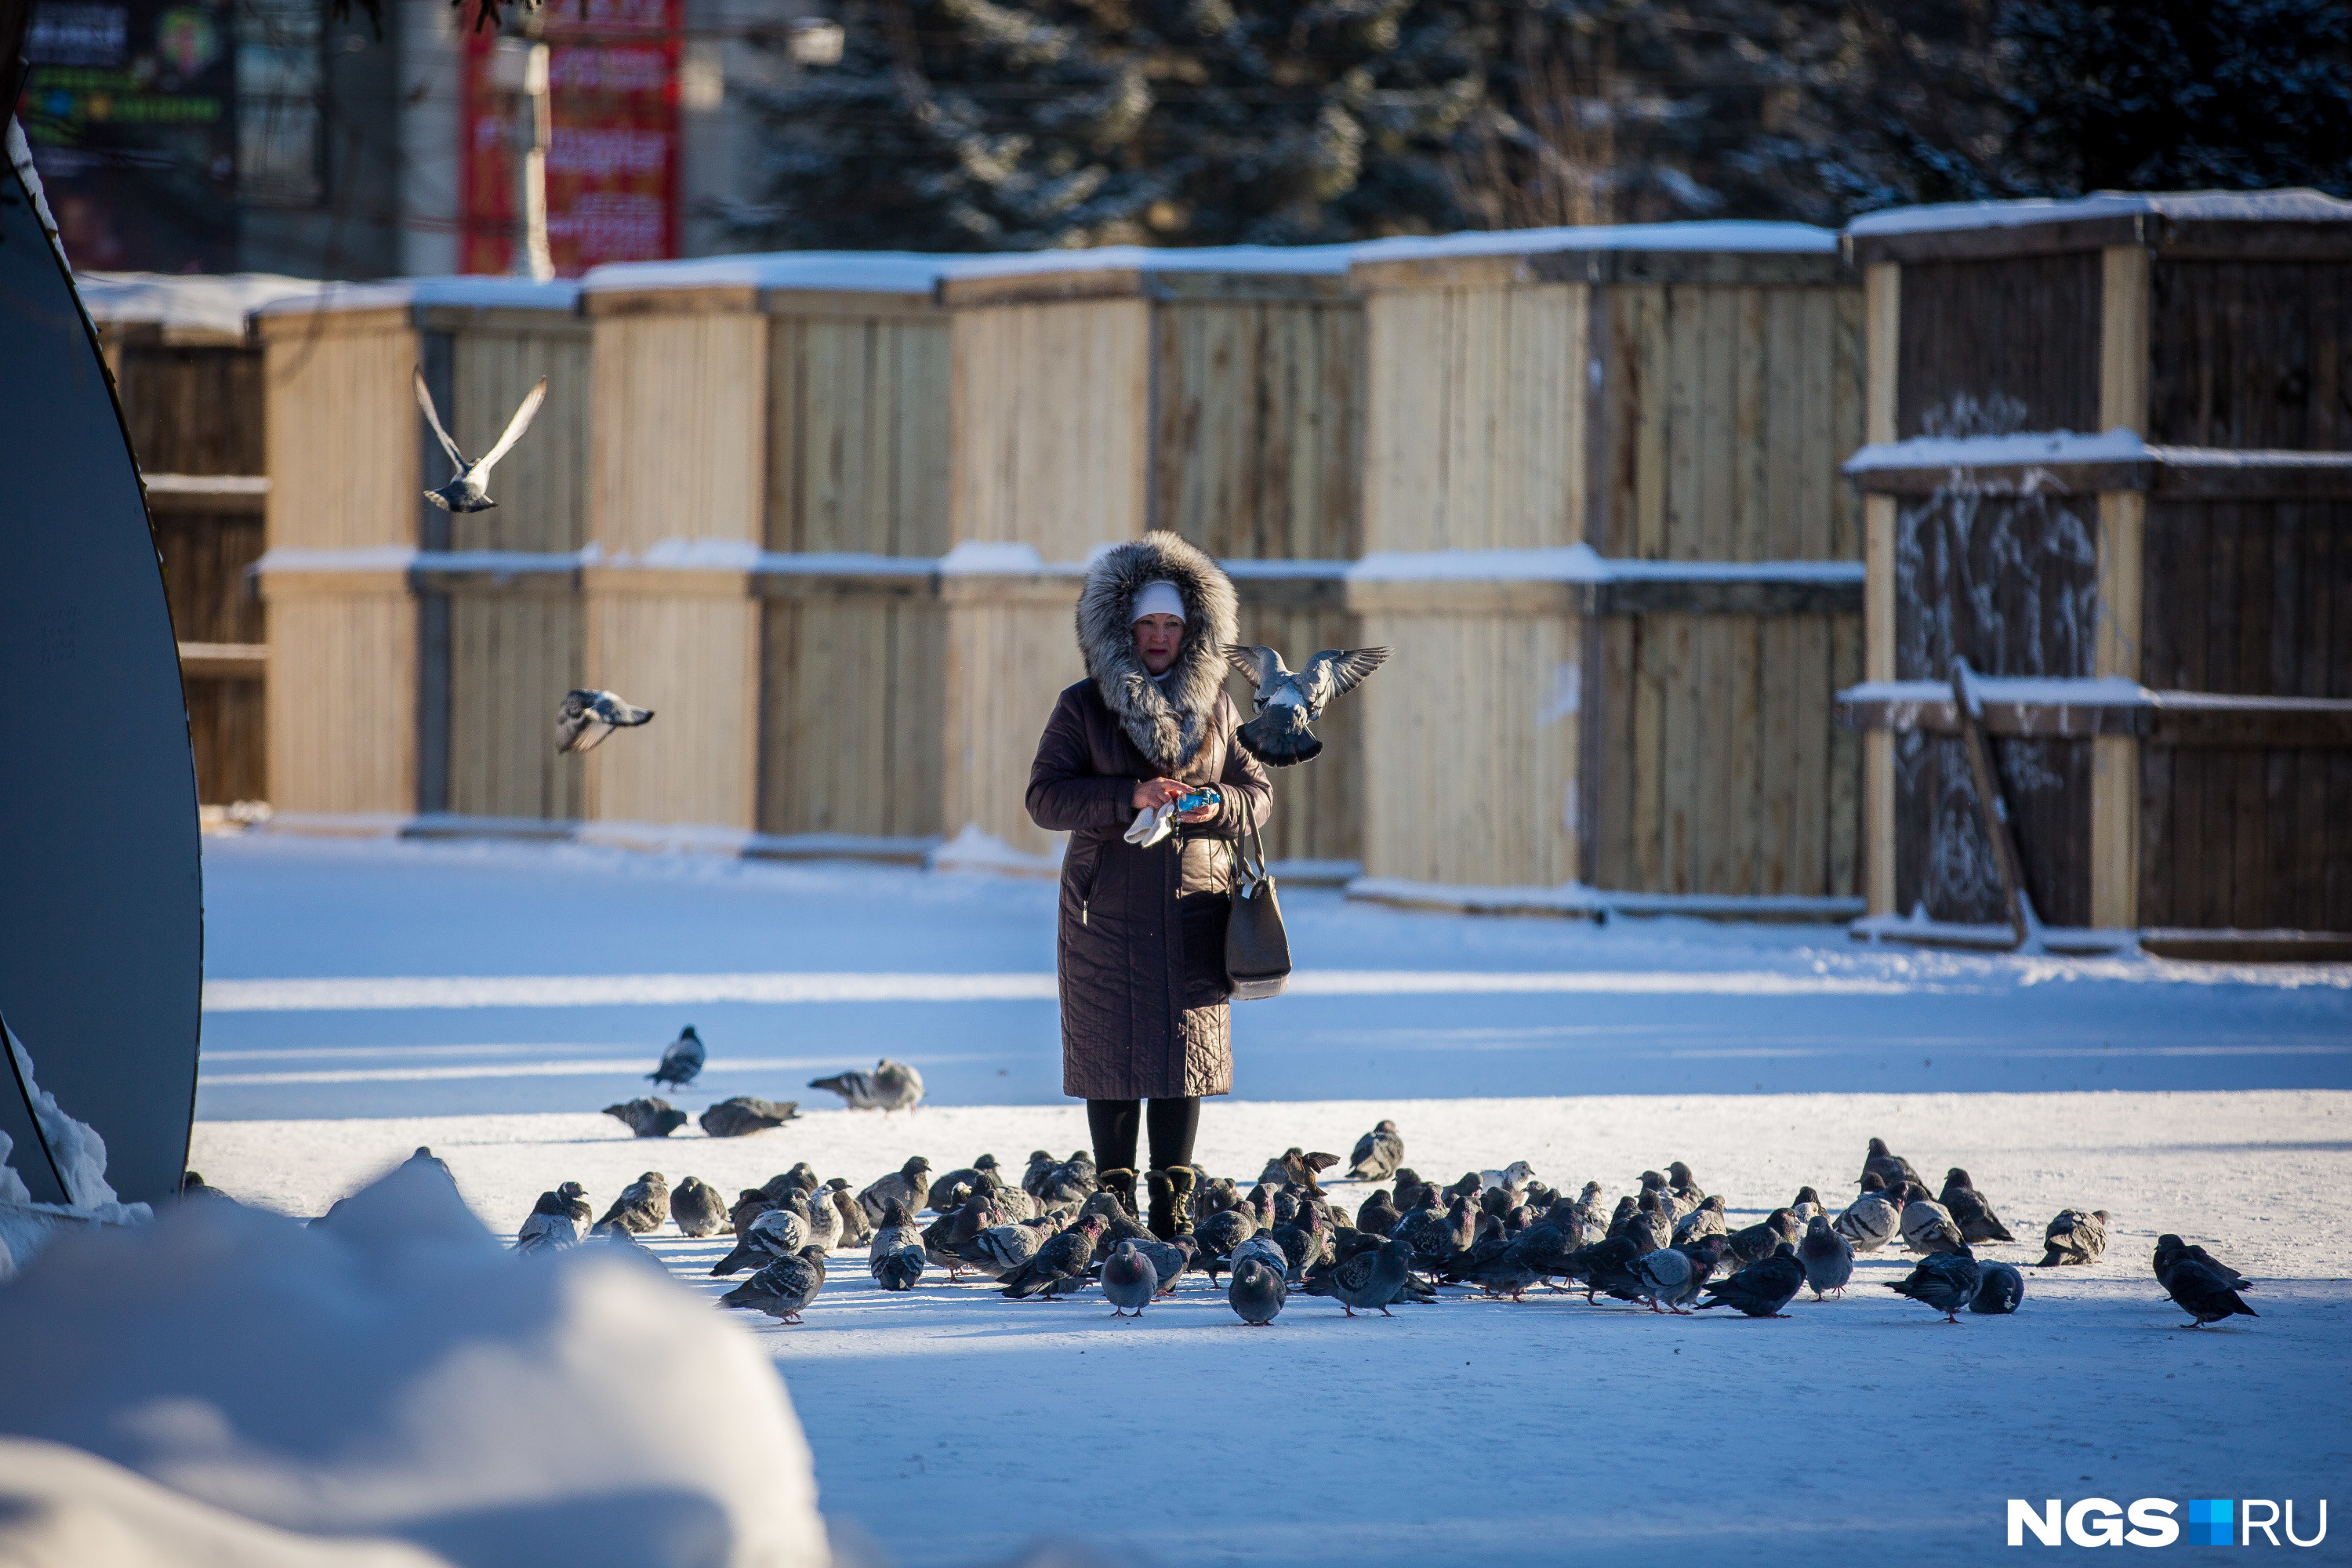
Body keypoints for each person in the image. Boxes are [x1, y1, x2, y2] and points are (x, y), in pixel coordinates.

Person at [1025, 532, 1271, 1241]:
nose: (1160, 637)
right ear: (1121, 629)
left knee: (1181, 1058)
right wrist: (1129, 796)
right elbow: (1045, 799)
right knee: (1112, 1060)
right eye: (1147, 624)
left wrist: (1210, 804)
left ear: (1193, 632)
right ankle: (1112, 1207)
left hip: (1198, 907)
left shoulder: (1219, 708)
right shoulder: (1082, 707)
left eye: (1173, 625)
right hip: (1106, 911)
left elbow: (1255, 794)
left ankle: (1174, 1205)